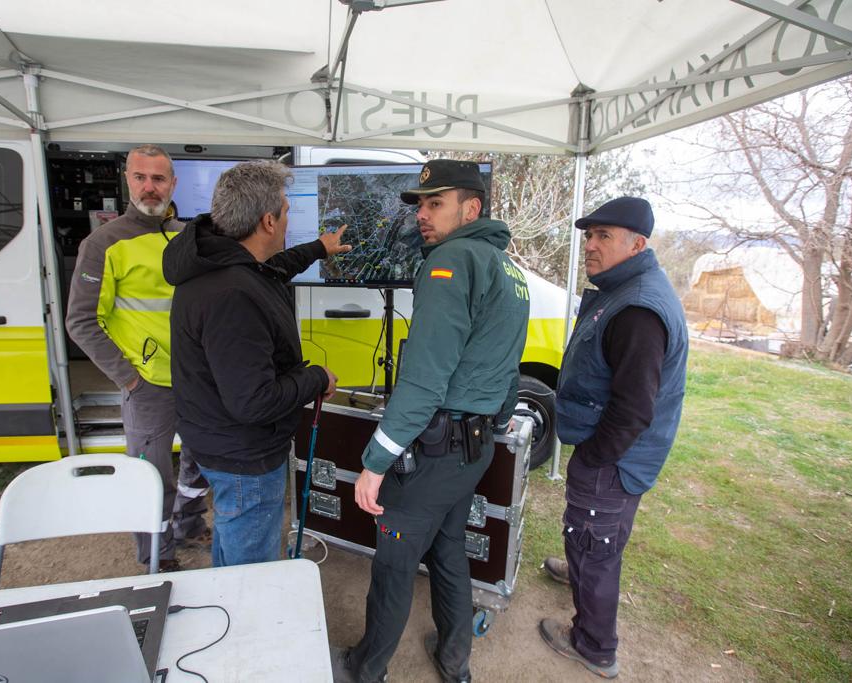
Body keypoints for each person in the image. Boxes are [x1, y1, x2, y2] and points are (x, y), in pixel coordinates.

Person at [333, 160, 529, 683]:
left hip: (436, 452)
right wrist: (494, 419)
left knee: (394, 565)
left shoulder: (451, 261)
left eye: (435, 203)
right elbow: (507, 365)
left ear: (472, 208)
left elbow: (423, 377)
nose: (422, 214)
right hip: (472, 448)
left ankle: (363, 669)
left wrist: (376, 460)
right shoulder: (509, 269)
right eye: (421, 204)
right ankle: (454, 662)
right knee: (447, 551)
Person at [163, 160, 348, 568]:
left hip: (218, 441)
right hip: (244, 456)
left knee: (234, 541)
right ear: (268, 221)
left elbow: (274, 269)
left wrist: (319, 248)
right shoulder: (233, 294)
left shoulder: (221, 261)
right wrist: (316, 378)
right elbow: (253, 402)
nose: (286, 220)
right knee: (251, 574)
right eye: (285, 211)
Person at [537, 197, 689, 679]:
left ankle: (594, 645)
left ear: (637, 244)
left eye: (604, 236)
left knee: (595, 539)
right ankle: (580, 561)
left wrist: (594, 460)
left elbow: (633, 408)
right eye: (589, 235)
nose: (591, 245)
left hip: (614, 459)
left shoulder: (639, 309)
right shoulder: (624, 288)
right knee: (592, 534)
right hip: (613, 451)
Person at [65, 144, 209, 573]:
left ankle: (188, 526)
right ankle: (157, 557)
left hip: (197, 381)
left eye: (159, 179)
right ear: (127, 180)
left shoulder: (188, 237)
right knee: (151, 479)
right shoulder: (102, 244)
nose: (150, 187)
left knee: (199, 466)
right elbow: (80, 321)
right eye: (141, 178)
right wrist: (130, 380)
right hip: (148, 387)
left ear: (173, 184)